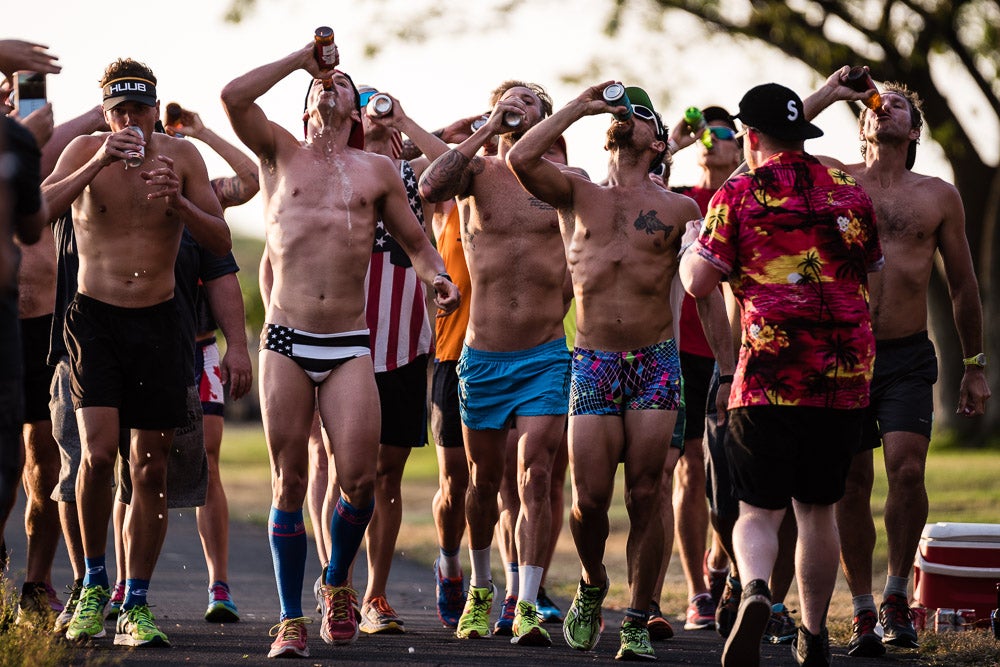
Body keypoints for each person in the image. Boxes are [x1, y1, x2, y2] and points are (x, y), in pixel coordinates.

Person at [221, 42, 458, 659]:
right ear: (305, 108)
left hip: (350, 341)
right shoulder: (278, 152)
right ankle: (289, 619)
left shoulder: (377, 171)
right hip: (286, 339)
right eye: (321, 84)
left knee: (359, 480)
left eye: (342, 83)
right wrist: (303, 59)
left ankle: (335, 583)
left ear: (356, 110)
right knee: (290, 480)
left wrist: (437, 276)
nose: (330, 86)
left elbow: (418, 243)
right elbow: (233, 97)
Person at [679, 82, 883, 666]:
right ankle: (813, 634)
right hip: (843, 375)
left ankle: (755, 589)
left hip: (769, 373)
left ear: (751, 135)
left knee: (758, 509)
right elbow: (875, 273)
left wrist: (693, 246)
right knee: (817, 508)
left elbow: (698, 282)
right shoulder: (848, 190)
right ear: (802, 134)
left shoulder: (739, 192)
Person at [41, 57, 231, 647]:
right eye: (119, 110)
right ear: (106, 114)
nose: (130, 121)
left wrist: (181, 202)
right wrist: (96, 161)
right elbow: (37, 213)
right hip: (94, 319)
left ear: (154, 110)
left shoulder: (184, 158)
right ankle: (93, 582)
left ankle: (137, 602)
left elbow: (220, 239)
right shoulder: (84, 152)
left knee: (150, 466)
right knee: (98, 456)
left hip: (160, 320)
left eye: (139, 110)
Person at [803, 67, 991, 657]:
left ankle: (895, 597)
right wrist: (832, 91)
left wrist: (975, 364)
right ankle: (862, 608)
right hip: (842, 352)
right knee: (851, 481)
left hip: (907, 354)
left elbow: (962, 285)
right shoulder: (833, 178)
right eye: (876, 105)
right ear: (863, 124)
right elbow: (768, 150)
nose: (885, 108)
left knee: (908, 472)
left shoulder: (938, 195)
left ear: (914, 132)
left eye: (899, 105)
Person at [508, 82, 700, 661]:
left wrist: (724, 369)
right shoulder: (576, 191)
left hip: (655, 363)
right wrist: (582, 105)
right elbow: (520, 157)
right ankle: (593, 581)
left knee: (647, 491)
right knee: (589, 501)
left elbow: (704, 288)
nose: (625, 116)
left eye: (640, 114)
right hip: (593, 362)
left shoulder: (679, 209)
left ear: (659, 142)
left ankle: (638, 615)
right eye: (622, 111)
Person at [419, 79, 570, 648]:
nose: (516, 106)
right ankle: (481, 588)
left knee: (536, 476)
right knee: (481, 485)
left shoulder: (564, 182)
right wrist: (486, 128)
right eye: (509, 100)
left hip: (545, 356)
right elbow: (430, 184)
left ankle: (525, 602)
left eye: (529, 100)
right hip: (481, 355)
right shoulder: (474, 174)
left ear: (546, 119)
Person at [348, 86, 451, 635]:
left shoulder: (413, 176)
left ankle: (375, 595)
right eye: (367, 106)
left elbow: (453, 168)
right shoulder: (331, 174)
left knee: (388, 473)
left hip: (406, 339)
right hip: (343, 337)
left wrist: (407, 124)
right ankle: (337, 586)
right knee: (347, 473)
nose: (376, 114)